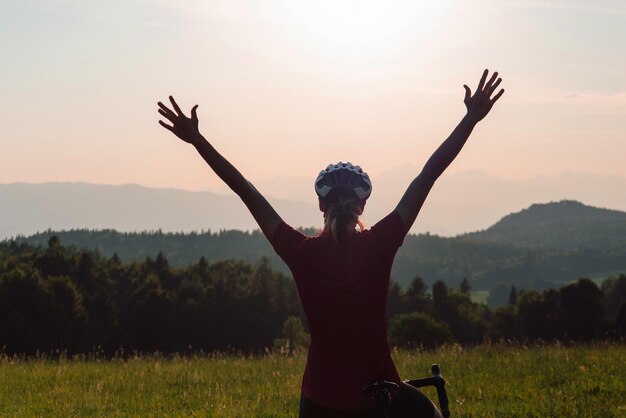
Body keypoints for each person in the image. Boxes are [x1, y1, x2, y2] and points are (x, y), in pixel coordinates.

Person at [157, 69, 504, 418]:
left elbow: (246, 190)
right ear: (362, 206)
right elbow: (427, 175)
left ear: (321, 205)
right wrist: (470, 119)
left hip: (320, 402)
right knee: (428, 412)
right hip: (380, 395)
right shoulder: (380, 244)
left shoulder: (300, 252)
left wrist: (199, 141)